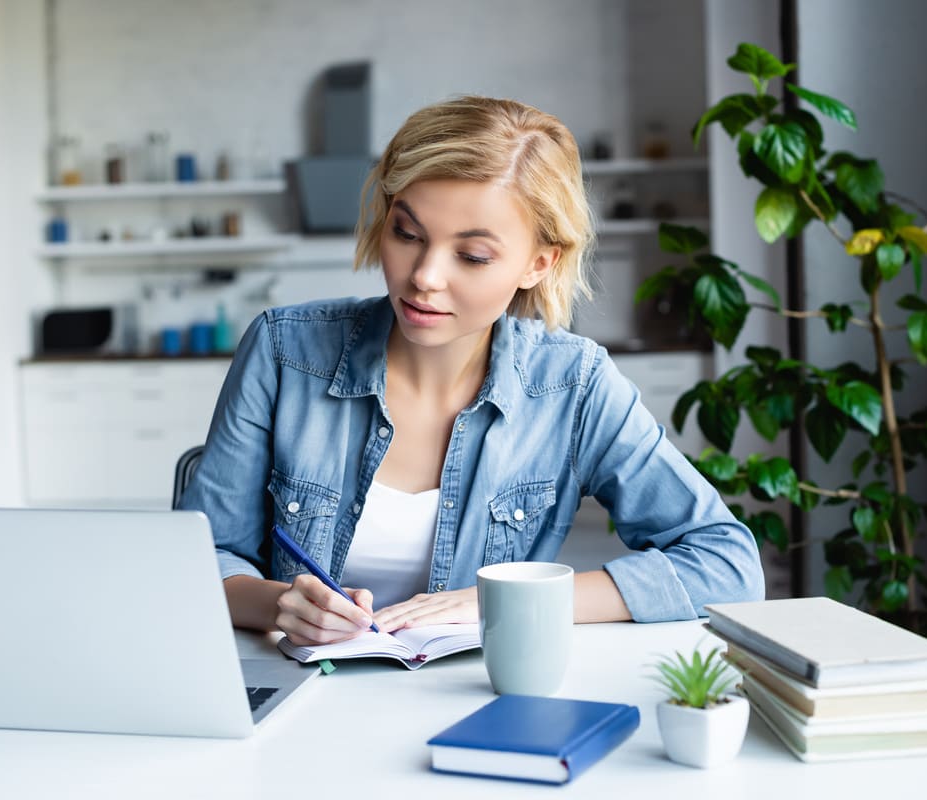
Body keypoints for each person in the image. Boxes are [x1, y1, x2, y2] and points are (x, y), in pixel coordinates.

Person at [178, 95, 764, 647]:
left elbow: (726, 563)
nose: (425, 276)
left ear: (538, 263)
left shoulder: (574, 385)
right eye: (407, 233)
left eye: (473, 256)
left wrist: (505, 601)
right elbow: (200, 558)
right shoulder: (285, 352)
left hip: (478, 695)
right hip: (304, 695)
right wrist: (279, 603)